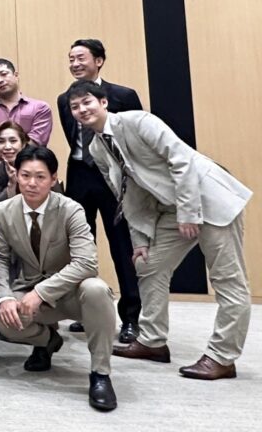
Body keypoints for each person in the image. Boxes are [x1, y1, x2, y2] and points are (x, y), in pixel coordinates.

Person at [69, 80, 253, 380]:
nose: (81, 110)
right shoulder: (96, 148)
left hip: (207, 199)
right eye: (75, 107)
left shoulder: (139, 121)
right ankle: (152, 341)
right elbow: (128, 193)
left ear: (103, 102)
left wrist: (189, 212)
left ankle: (222, 357)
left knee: (228, 280)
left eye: (87, 102)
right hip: (170, 208)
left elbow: (182, 160)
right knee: (148, 264)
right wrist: (140, 239)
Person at [0, 146, 117, 412]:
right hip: (28, 289)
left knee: (97, 289)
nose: (32, 183)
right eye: (25, 175)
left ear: (53, 178)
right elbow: (1, 260)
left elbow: (86, 262)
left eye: (40, 176)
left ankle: (100, 374)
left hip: (72, 292)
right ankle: (47, 341)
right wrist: (5, 297)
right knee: (3, 320)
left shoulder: (70, 209)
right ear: (16, 175)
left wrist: (42, 292)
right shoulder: (3, 211)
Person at [57, 39, 143, 344]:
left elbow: (135, 139)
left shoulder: (123, 95)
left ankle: (131, 317)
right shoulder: (64, 99)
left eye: (81, 58)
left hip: (113, 178)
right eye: (71, 59)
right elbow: (73, 139)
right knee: (81, 246)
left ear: (99, 60)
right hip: (80, 175)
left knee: (122, 246)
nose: (75, 64)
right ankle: (87, 312)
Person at [0, 58, 53, 163]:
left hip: (32, 167)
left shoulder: (40, 108)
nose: (0, 80)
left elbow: (37, 141)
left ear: (16, 75)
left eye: (4, 74)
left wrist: (4, 152)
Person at [0, 120, 36, 210]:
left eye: (13, 141)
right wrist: (11, 184)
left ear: (23, 144)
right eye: (1, 142)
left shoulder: (38, 166)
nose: (7, 147)